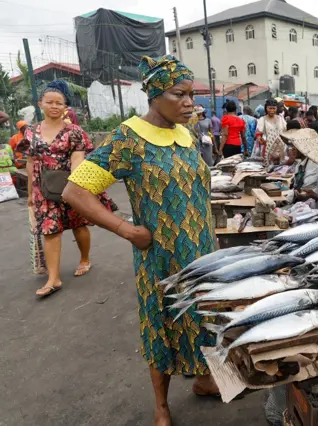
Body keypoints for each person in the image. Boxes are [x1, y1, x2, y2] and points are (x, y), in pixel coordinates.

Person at [63, 55, 219, 426]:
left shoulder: (186, 133)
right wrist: (125, 229)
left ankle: (202, 379)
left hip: (201, 249)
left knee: (202, 316)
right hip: (160, 255)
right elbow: (75, 191)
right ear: (153, 96)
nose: (188, 102)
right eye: (178, 94)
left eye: (191, 94)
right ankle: (162, 405)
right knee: (161, 323)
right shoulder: (128, 139)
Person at [24, 80, 117, 297]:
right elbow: (30, 162)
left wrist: (74, 189)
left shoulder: (74, 131)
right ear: (40, 104)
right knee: (50, 230)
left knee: (78, 225)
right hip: (43, 189)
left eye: (60, 103)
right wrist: (30, 193)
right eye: (50, 102)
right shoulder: (31, 132)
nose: (54, 106)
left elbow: (78, 160)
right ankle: (53, 279)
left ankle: (84, 258)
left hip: (70, 184)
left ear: (66, 106)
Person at [256, 99, 287, 165]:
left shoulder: (280, 118)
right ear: (266, 108)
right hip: (268, 148)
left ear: (276, 108)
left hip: (280, 149)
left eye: (274, 108)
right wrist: (259, 139)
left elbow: (285, 130)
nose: (272, 110)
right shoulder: (262, 119)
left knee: (279, 169)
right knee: (268, 168)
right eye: (270, 108)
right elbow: (258, 133)